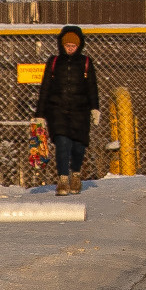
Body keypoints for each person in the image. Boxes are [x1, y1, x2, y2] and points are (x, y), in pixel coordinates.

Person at [33, 25, 99, 194]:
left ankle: (75, 174)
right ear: (61, 45)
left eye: (73, 46)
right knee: (62, 142)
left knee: (78, 146)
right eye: (67, 46)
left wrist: (94, 108)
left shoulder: (85, 62)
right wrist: (39, 114)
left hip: (80, 111)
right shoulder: (54, 62)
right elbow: (45, 87)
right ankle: (63, 179)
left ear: (79, 46)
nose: (70, 49)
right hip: (57, 110)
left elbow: (92, 86)